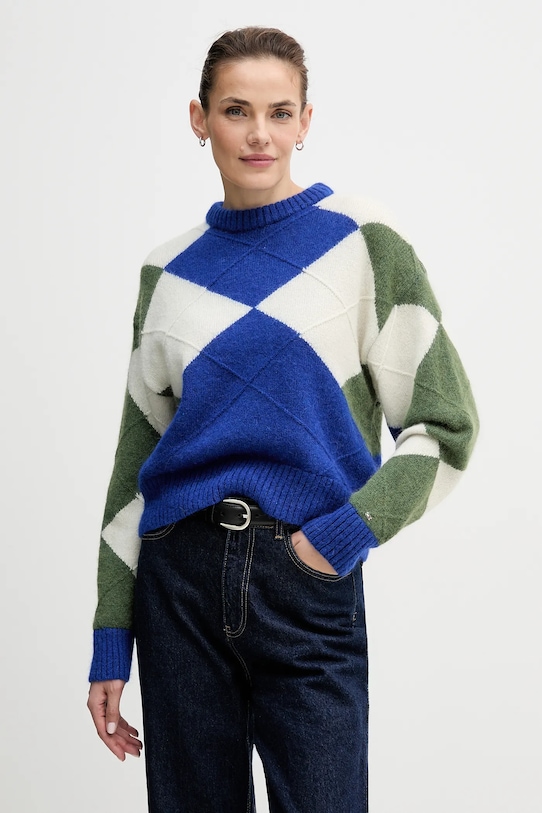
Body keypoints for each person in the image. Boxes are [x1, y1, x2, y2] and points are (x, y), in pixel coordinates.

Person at [87, 25, 479, 813]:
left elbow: (446, 425)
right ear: (200, 119)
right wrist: (110, 636)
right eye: (236, 110)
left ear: (305, 122)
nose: (258, 134)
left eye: (279, 112)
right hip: (178, 584)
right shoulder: (166, 272)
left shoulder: (362, 241)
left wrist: (341, 536)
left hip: (305, 579)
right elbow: (136, 466)